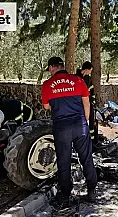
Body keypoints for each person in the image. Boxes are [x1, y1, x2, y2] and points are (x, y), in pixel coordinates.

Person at [41, 57, 97, 210]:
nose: (50, 72)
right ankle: (92, 190)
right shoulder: (78, 81)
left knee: (63, 161)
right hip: (80, 124)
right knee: (86, 157)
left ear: (53, 68)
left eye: (50, 69)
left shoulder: (47, 85)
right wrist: (85, 121)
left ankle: (65, 195)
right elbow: (87, 103)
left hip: (61, 127)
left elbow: (46, 107)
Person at [76, 61, 99, 147]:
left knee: (90, 124)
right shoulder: (81, 79)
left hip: (86, 104)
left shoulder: (84, 78)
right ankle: (88, 142)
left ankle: (91, 141)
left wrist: (93, 101)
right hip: (84, 105)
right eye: (90, 70)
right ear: (86, 69)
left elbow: (91, 91)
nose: (91, 72)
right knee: (87, 123)